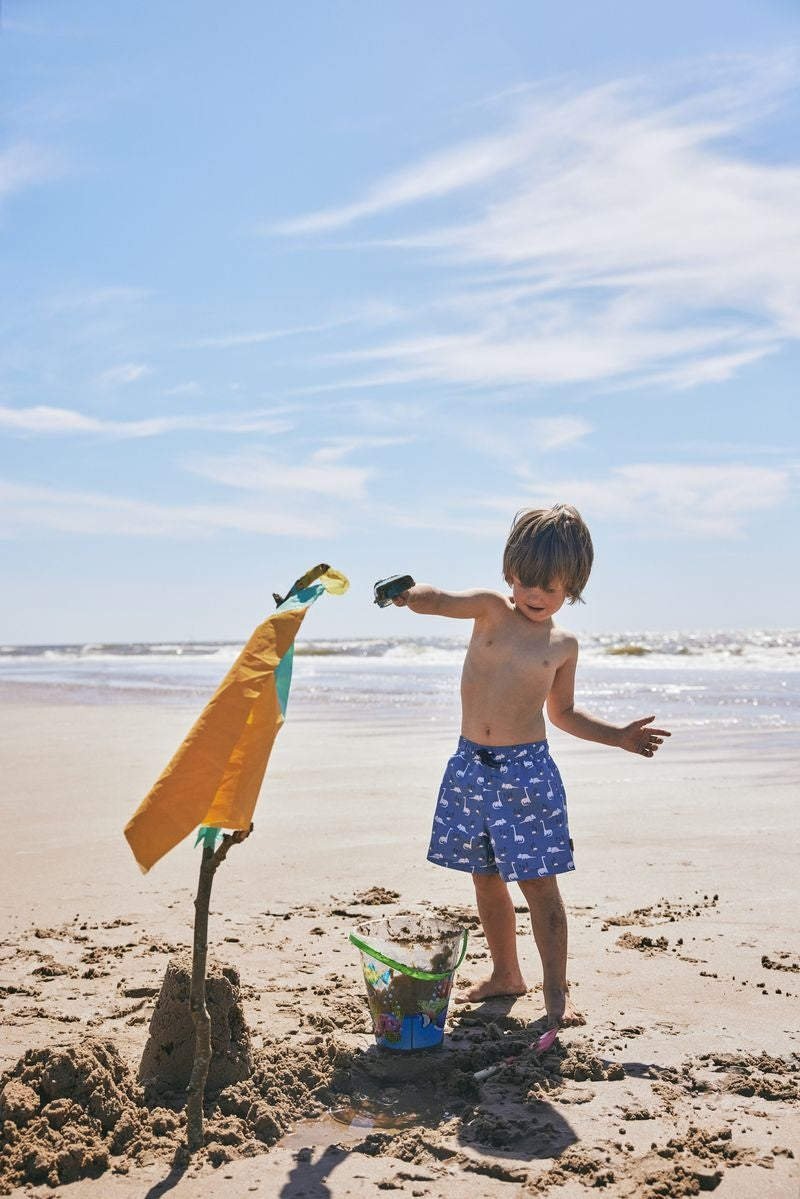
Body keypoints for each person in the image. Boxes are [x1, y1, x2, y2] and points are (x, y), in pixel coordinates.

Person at [391, 503, 670, 1027]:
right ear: (509, 576)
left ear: (573, 588)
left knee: (540, 884)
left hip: (526, 774)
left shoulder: (563, 645)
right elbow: (439, 599)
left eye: (554, 588)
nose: (538, 597)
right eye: (529, 584)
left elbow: (561, 713)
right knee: (484, 876)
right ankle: (505, 974)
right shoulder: (489, 609)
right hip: (469, 766)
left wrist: (619, 737)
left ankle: (556, 996)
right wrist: (409, 596)